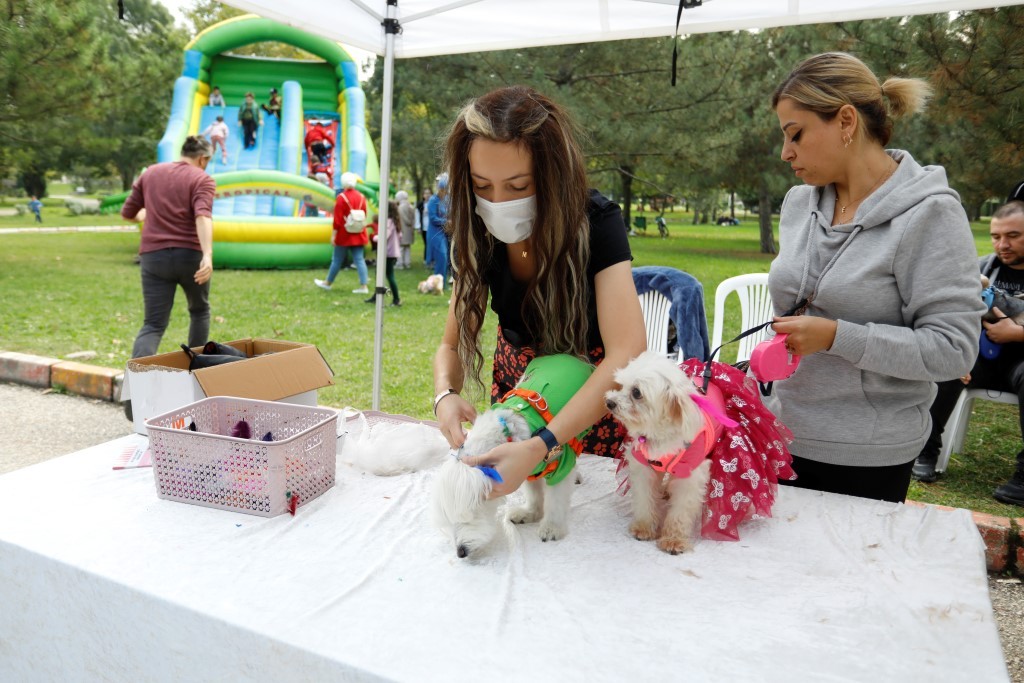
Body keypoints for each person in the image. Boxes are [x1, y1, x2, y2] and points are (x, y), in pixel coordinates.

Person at [766, 52, 985, 503]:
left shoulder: (930, 214)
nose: (786, 152)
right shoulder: (797, 203)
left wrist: (836, 337)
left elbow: (953, 349)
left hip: (866, 456)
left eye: (796, 134)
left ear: (846, 121)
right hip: (780, 434)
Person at [432, 85, 647, 497]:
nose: (498, 202)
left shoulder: (596, 222)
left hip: (593, 399)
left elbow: (627, 348)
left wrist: (544, 444)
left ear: (553, 177)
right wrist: (446, 394)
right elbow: (450, 342)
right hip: (518, 391)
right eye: (482, 186)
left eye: (517, 187)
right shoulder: (477, 231)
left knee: (583, 512)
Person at [912, 201, 1024, 505]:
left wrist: (1017, 332)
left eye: (1013, 236)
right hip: (981, 358)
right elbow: (951, 313)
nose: (1003, 244)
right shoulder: (981, 268)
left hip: (1020, 364)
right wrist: (962, 348)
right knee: (947, 360)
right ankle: (925, 451)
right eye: (997, 236)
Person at [120, 135, 215, 359]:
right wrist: (207, 255)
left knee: (153, 324)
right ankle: (196, 375)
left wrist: (147, 214)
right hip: (190, 258)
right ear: (202, 159)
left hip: (154, 258)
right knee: (199, 311)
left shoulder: (150, 173)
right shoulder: (202, 179)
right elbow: (202, 216)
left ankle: (135, 390)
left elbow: (128, 213)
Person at [314, 171, 370, 294]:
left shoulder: (341, 198)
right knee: (359, 259)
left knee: (337, 260)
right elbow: (364, 214)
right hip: (359, 232)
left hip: (344, 234)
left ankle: (328, 283)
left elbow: (338, 219)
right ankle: (364, 286)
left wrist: (333, 235)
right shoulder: (361, 197)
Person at [365, 200, 402, 307]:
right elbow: (400, 236)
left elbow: (384, 236)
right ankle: (377, 296)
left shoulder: (388, 222)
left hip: (387, 253)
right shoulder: (395, 221)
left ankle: (396, 299)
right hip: (391, 252)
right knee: (379, 274)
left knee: (389, 276)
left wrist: (374, 237)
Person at [426, 175, 449, 288]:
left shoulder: (445, 199)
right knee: (442, 257)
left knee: (444, 259)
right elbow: (433, 218)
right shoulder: (433, 200)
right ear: (441, 188)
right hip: (434, 233)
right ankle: (437, 284)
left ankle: (441, 283)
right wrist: (447, 222)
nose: (446, 192)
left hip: (443, 233)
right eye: (445, 189)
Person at [396, 190, 416, 269]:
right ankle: (407, 263)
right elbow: (413, 219)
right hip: (409, 230)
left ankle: (400, 263)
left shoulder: (401, 207)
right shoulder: (410, 206)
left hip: (403, 229)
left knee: (401, 247)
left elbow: (402, 219)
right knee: (407, 247)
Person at [416, 188, 431, 264]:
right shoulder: (420, 204)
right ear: (423, 195)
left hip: (432, 227)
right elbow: (417, 216)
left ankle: (431, 259)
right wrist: (418, 227)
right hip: (424, 227)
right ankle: (426, 259)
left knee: (431, 243)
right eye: (425, 193)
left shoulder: (433, 203)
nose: (427, 195)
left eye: (429, 193)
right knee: (426, 243)